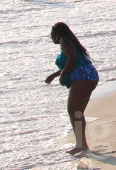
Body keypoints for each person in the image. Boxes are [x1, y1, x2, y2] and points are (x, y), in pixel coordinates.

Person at [44, 23, 99, 155]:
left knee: (73, 111)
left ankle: (80, 145)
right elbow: (74, 62)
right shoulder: (69, 40)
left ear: (57, 34)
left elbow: (72, 59)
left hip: (83, 76)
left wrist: (62, 75)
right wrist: (54, 75)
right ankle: (82, 145)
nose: (51, 39)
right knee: (77, 112)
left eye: (51, 36)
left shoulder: (64, 41)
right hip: (88, 75)